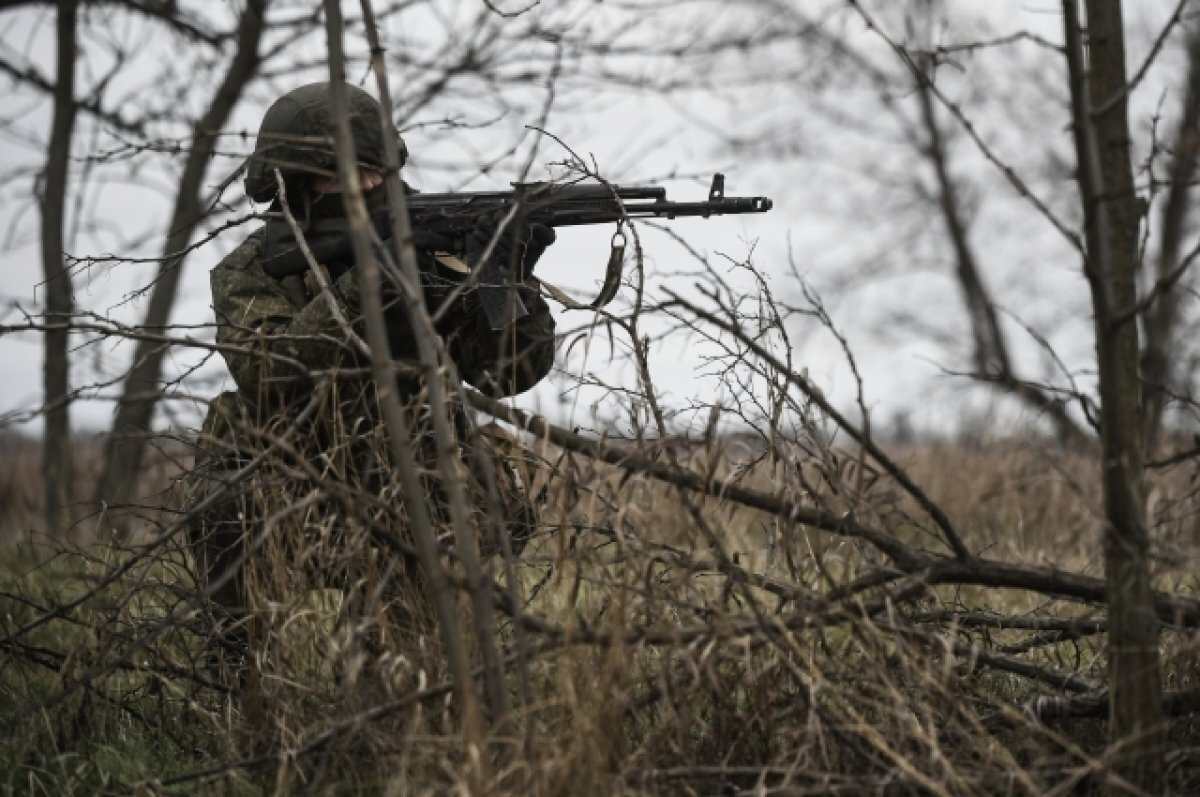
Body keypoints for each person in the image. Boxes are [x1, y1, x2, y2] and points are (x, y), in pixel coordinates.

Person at [183, 82, 556, 676]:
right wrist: (373, 281)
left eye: (373, 171)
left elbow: (510, 374)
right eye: (341, 174)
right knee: (223, 503)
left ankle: (403, 688)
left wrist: (507, 282)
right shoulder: (254, 270)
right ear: (290, 184)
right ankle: (237, 678)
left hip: (413, 475)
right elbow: (268, 372)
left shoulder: (435, 247)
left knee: (408, 676)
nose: (364, 187)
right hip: (296, 482)